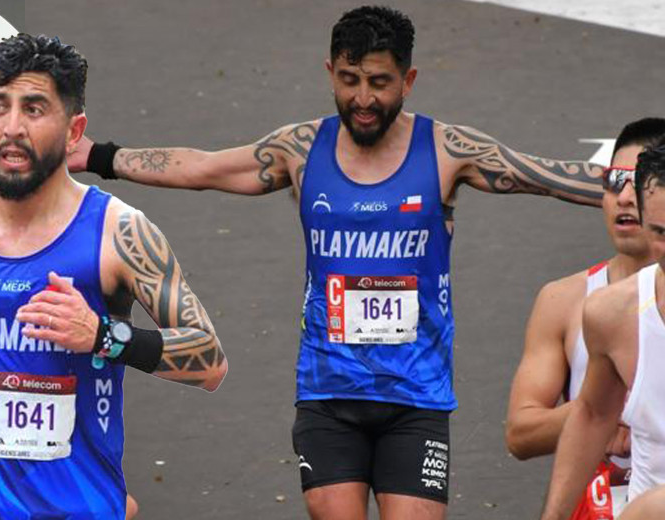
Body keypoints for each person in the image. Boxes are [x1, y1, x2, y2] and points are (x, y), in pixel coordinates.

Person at [67, 6, 607, 519]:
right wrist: (97, 156)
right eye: (349, 80)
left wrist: (634, 183)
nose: (363, 98)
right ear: (331, 72)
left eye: (379, 82)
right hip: (328, 397)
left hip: (415, 399)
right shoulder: (301, 150)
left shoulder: (445, 150)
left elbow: (541, 174)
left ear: (408, 80)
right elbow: (205, 167)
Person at [0, 34, 228, 519]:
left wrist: (103, 337)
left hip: (72, 505)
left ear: (74, 131)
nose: (12, 128)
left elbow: (209, 360)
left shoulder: (120, 233)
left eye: (33, 109)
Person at [506, 118, 665, 519]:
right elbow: (586, 416)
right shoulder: (599, 308)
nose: (625, 198)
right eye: (614, 181)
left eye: (634, 182)